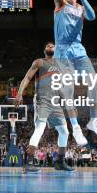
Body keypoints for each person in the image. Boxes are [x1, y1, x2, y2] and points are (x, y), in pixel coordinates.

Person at [51, 0, 97, 144]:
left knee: (93, 82)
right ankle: (75, 127)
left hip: (78, 49)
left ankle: (94, 120)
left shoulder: (81, 7)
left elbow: (92, 17)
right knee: (69, 90)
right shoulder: (60, 4)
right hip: (62, 50)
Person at [15, 42, 74, 173]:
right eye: (47, 45)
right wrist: (19, 93)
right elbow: (27, 77)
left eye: (52, 45)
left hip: (55, 102)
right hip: (43, 99)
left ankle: (60, 162)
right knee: (40, 128)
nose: (50, 45)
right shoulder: (39, 62)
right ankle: (29, 162)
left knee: (65, 132)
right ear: (44, 50)